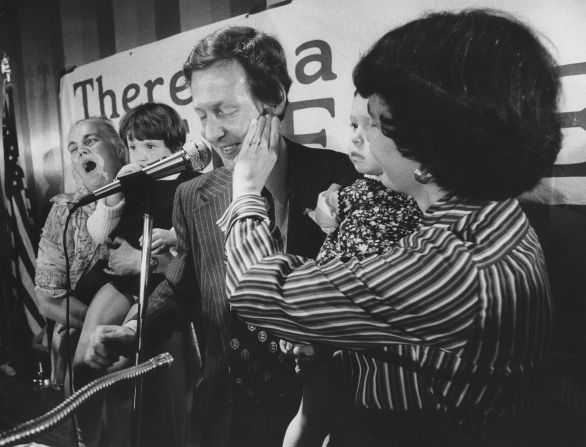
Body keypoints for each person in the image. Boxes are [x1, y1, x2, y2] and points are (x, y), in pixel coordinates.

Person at [220, 9, 561, 446]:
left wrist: (246, 189)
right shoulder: (490, 215)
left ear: (426, 146)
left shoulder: (457, 264)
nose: (363, 139)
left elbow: (261, 291)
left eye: (376, 123)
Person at [81, 26, 357, 447]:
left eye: (225, 111)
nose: (210, 133)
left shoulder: (338, 175)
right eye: (202, 114)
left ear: (275, 99)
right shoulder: (195, 196)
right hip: (228, 417)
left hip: (319, 412)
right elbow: (182, 284)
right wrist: (137, 330)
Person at [283, 93, 422, 446]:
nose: (357, 138)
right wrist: (323, 210)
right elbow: (325, 210)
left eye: (371, 126)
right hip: (325, 329)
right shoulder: (359, 188)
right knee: (311, 418)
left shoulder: (415, 209)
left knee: (343, 424)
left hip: (360, 346)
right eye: (353, 125)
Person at [69, 102, 199, 446]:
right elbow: (100, 233)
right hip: (120, 277)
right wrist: (111, 197)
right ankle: (87, 437)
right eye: (133, 146)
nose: (140, 155)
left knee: (125, 363)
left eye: (150, 146)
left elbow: (193, 255)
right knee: (83, 361)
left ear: (174, 146)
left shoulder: (191, 185)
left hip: (161, 280)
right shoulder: (132, 180)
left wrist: (153, 250)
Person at [35, 116, 127, 388]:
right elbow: (47, 299)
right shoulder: (65, 211)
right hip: (86, 347)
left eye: (91, 141)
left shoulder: (147, 197)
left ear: (120, 149)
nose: (82, 152)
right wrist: (102, 329)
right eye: (74, 149)